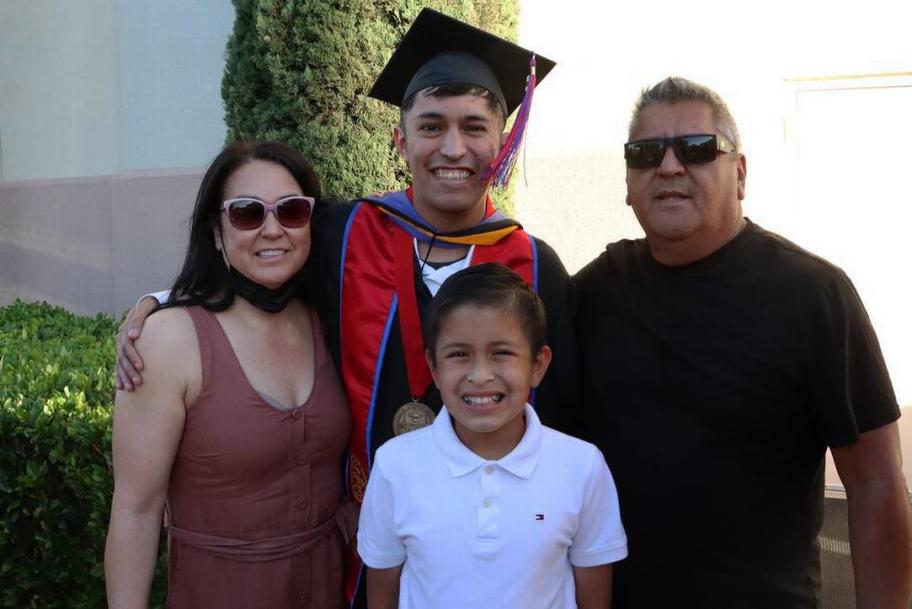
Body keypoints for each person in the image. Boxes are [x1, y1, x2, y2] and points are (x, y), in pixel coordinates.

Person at [112, 9, 578, 605]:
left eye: (474, 127)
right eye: (431, 126)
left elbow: (562, 427)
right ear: (400, 138)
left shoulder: (538, 271)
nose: (452, 148)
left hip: (491, 559)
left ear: (502, 139)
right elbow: (260, 268)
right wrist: (161, 301)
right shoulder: (344, 233)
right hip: (359, 559)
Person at [575, 76, 912, 608]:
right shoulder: (596, 291)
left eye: (696, 149)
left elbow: (875, 482)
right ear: (627, 180)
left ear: (739, 174)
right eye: (645, 153)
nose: (668, 166)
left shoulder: (814, 295)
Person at [104, 141, 351, 609]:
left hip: (329, 588)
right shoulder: (169, 341)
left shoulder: (330, 318)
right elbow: (136, 510)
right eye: (246, 213)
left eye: (292, 211)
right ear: (216, 232)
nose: (272, 229)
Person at [358, 263, 626, 609]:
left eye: (502, 353)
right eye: (459, 354)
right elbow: (383, 585)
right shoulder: (395, 465)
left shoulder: (582, 466)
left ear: (538, 365)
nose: (480, 375)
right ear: (434, 368)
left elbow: (593, 590)